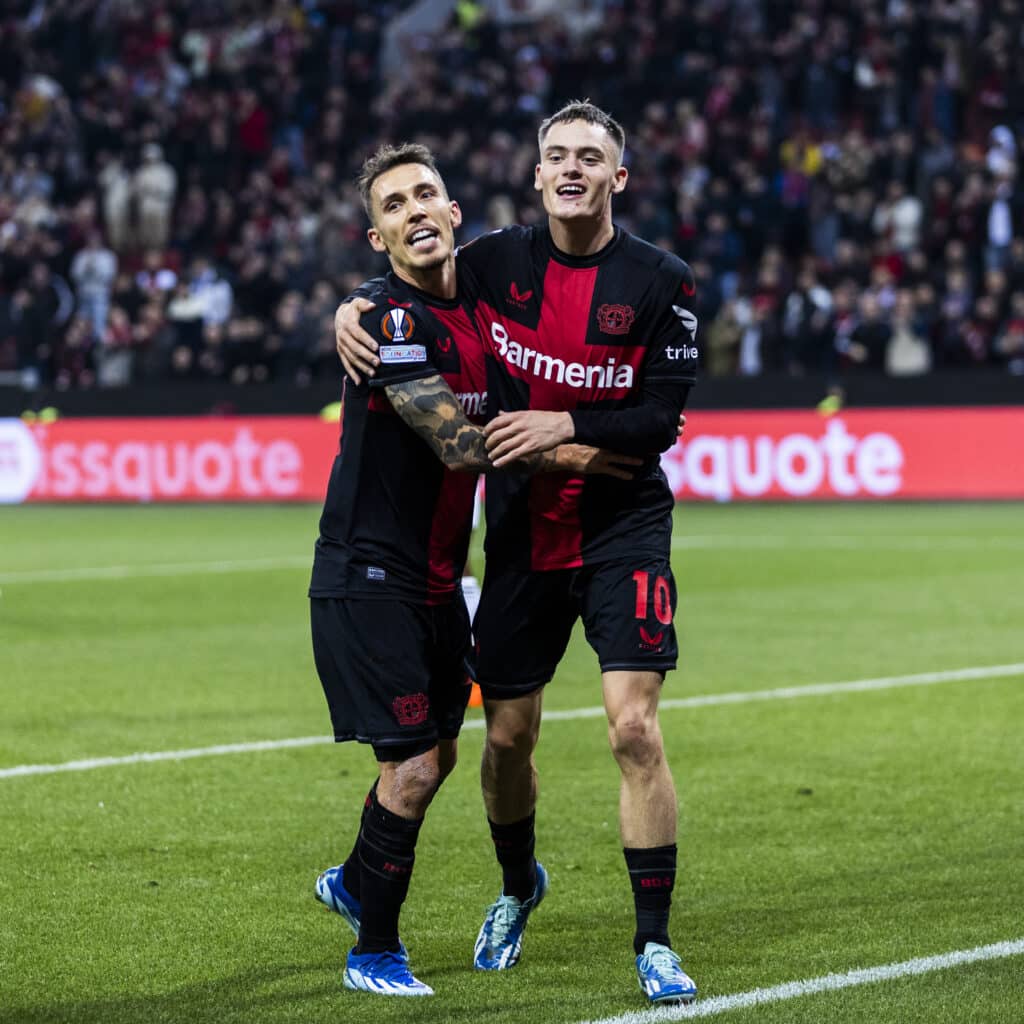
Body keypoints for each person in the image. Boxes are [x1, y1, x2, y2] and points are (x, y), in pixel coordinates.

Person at [334, 102, 700, 1005]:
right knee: (505, 738)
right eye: (556, 155)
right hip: (523, 535)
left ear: (619, 178)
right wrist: (348, 308)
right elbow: (411, 285)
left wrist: (561, 421)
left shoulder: (664, 280)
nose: (572, 167)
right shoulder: (495, 262)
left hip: (625, 530)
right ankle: (515, 886)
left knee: (632, 727)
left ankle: (652, 941)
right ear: (536, 176)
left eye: (591, 157)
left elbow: (660, 420)